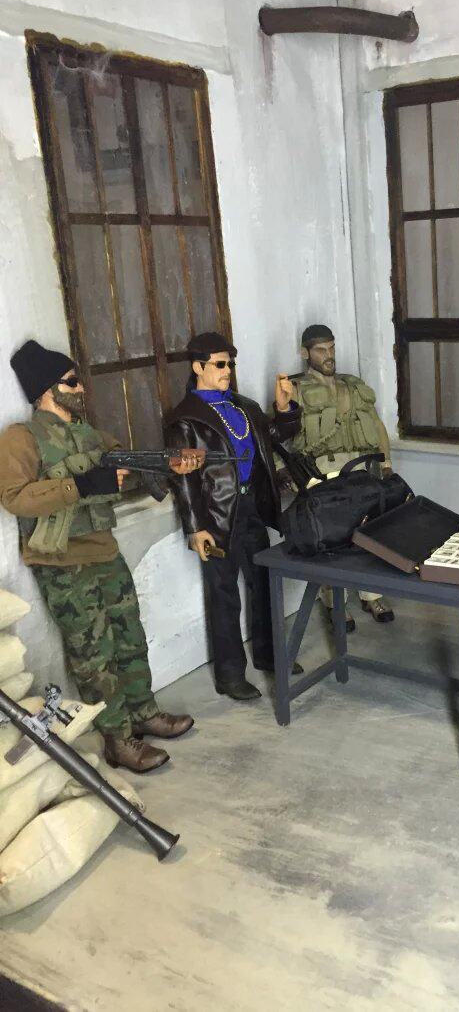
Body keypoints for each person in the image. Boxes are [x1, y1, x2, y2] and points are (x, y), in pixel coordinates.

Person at [0, 340, 198, 773]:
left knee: (129, 638)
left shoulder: (91, 436)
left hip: (104, 551)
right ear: (47, 390)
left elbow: (130, 470)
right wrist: (81, 485)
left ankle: (144, 713)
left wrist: (167, 465)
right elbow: (15, 498)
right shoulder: (22, 438)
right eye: (71, 381)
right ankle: (117, 739)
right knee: (93, 653)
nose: (81, 388)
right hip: (62, 562)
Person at [165, 332, 303, 702]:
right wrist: (196, 527)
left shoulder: (245, 407)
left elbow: (274, 436)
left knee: (263, 582)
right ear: (198, 367)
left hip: (251, 508)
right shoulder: (185, 419)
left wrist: (285, 409)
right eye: (220, 364)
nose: (228, 370)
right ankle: (229, 675)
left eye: (231, 364)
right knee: (223, 595)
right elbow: (183, 479)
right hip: (216, 518)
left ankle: (269, 655)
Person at [289, 324, 395, 630]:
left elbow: (377, 426)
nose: (329, 355)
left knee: (369, 532)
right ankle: (335, 602)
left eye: (332, 348)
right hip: (324, 471)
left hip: (361, 468)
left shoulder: (353, 386)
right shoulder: (295, 391)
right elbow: (283, 433)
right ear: (305, 353)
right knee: (332, 539)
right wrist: (289, 475)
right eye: (321, 350)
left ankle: (371, 594)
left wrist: (386, 463)